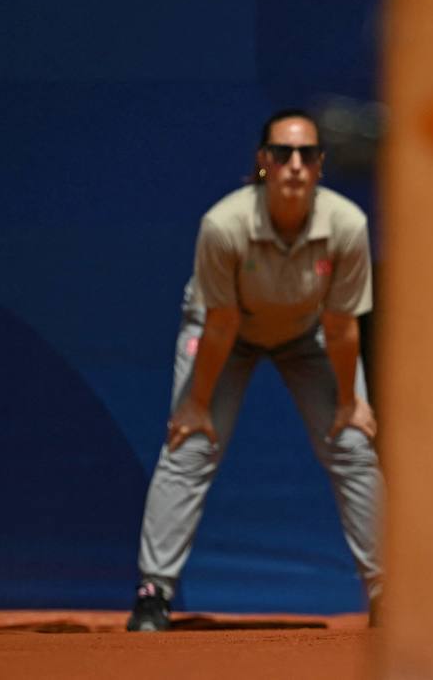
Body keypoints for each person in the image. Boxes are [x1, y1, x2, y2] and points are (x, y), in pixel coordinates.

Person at [126, 109, 383, 630]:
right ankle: (154, 591)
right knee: (189, 444)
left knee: (353, 444)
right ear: (263, 162)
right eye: (282, 153)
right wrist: (196, 404)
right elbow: (219, 325)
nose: (294, 165)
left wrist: (350, 401)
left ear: (319, 166)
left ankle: (389, 593)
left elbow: (340, 327)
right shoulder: (224, 224)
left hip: (308, 334)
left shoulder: (347, 224)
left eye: (306, 155)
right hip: (229, 330)